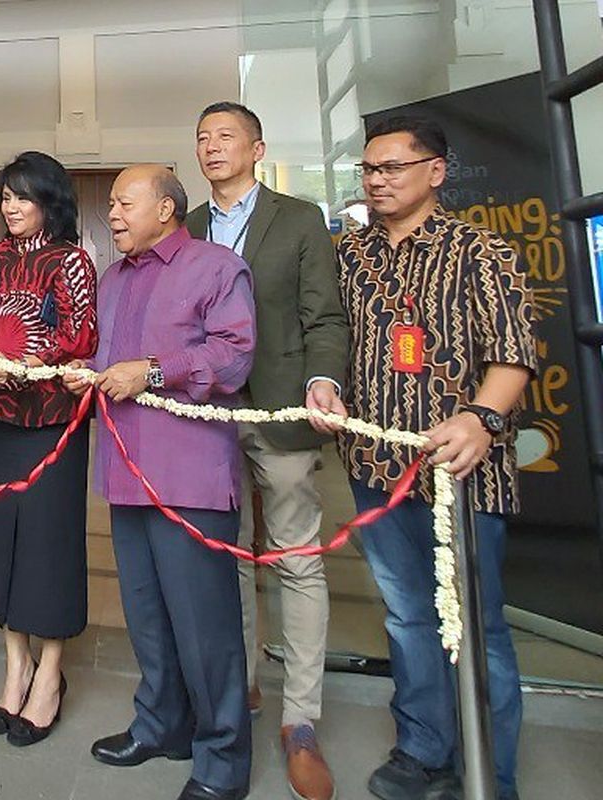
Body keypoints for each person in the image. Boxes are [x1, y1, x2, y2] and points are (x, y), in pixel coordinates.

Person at [330, 116, 535, 800]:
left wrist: (482, 416)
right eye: (369, 169)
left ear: (436, 172)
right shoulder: (350, 255)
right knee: (409, 615)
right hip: (378, 468)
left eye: (393, 167)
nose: (378, 179)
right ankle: (422, 748)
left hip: (462, 472)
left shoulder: (483, 252)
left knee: (477, 625)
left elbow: (514, 357)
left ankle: (489, 773)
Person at [66, 165, 255, 800]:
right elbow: (108, 356)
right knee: (147, 617)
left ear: (167, 210)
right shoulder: (113, 279)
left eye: (124, 203)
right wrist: (86, 373)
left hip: (189, 477)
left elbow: (233, 356)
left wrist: (151, 371)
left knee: (206, 627)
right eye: (112, 204)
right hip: (125, 470)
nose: (112, 213)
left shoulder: (216, 267)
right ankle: (162, 726)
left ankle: (223, 763)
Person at [185, 101, 349, 800]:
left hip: (281, 409)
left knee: (295, 560)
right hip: (207, 418)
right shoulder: (187, 226)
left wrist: (322, 381)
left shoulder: (300, 218)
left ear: (257, 148)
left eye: (226, 136)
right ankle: (240, 685)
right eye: (202, 138)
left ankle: (301, 720)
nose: (212, 147)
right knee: (225, 558)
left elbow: (325, 315)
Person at [0, 151, 97, 746]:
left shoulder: (73, 260)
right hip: (2, 415)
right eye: (6, 196)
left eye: (23, 197)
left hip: (54, 418)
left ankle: (51, 675)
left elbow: (80, 335)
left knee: (49, 541)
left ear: (50, 202)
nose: (10, 207)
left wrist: (30, 362)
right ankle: (16, 667)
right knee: (3, 536)